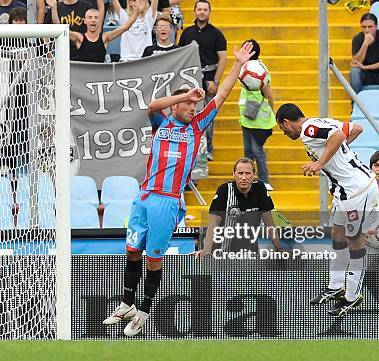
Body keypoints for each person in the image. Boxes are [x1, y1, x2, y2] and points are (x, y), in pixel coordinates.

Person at [102, 42, 255, 337]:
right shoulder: (162, 122)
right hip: (144, 197)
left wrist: (237, 64)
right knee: (132, 251)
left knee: (154, 258)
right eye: (188, 105)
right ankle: (126, 303)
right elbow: (151, 107)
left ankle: (144, 311)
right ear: (177, 105)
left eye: (195, 105)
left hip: (167, 202)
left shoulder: (196, 127)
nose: (192, 108)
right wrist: (186, 93)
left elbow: (221, 95)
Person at [276, 103, 377, 317]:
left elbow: (339, 135)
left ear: (286, 122)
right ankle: (335, 286)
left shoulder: (308, 130)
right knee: (338, 236)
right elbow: (356, 128)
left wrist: (320, 163)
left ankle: (352, 296)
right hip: (343, 191)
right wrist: (337, 156)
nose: (284, 133)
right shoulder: (321, 122)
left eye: (282, 129)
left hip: (356, 191)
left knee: (354, 242)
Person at [195, 157, 283, 257]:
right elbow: (213, 224)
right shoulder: (224, 190)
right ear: (234, 174)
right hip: (223, 252)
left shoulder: (260, 189)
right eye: (240, 173)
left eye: (248, 173)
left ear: (253, 175)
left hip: (250, 252)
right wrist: (207, 252)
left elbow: (269, 224)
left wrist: (279, 249)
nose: (244, 177)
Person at [177, 0, 226, 161]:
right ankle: (190, 146)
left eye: (205, 9)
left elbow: (223, 59)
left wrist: (216, 81)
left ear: (209, 12)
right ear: (195, 11)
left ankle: (208, 148)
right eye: (199, 9)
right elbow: (179, 55)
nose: (202, 12)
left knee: (207, 116)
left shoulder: (216, 34)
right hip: (190, 80)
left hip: (209, 79)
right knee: (188, 114)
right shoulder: (187, 33)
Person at [238, 39, 275, 191]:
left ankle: (264, 180)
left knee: (257, 150)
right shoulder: (243, 69)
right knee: (247, 150)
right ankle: (248, 178)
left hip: (260, 120)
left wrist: (272, 111)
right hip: (246, 117)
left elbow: (269, 96)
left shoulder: (259, 71)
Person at [50, 0, 135, 63]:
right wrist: (54, 9)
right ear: (85, 21)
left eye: (96, 18)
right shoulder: (79, 38)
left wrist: (137, 13)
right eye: (90, 18)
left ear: (100, 21)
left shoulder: (105, 37)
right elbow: (61, 29)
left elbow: (125, 27)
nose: (93, 20)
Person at [350, 13, 379, 96]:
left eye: (370, 27)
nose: (367, 30)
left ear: (376, 26)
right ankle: (356, 103)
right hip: (364, 74)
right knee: (354, 71)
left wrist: (365, 67)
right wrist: (365, 44)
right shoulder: (357, 38)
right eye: (364, 27)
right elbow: (356, 62)